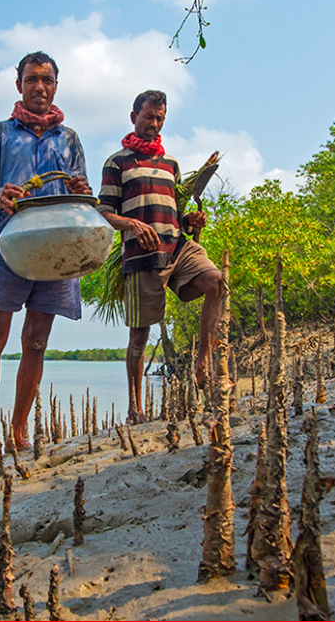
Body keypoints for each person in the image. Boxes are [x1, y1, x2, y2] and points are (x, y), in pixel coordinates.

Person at [0, 51, 91, 465]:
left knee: (37, 341)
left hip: (58, 251)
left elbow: (82, 199)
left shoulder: (69, 139)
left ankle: (18, 432)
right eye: (31, 79)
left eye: (47, 80)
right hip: (8, 245)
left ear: (56, 86)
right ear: (19, 84)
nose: (39, 86)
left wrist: (81, 191)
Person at [97, 90, 222, 423]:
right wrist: (132, 224)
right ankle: (135, 408)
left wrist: (191, 221)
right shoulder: (117, 162)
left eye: (160, 118)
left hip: (177, 247)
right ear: (134, 117)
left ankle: (203, 363)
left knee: (216, 281)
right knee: (139, 334)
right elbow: (104, 212)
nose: (154, 123)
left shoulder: (171, 165)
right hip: (141, 256)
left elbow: (175, 214)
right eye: (149, 117)